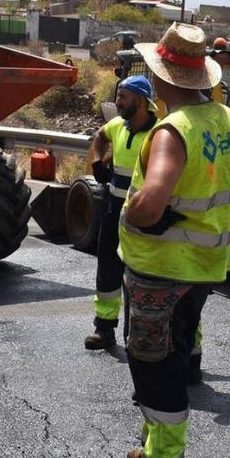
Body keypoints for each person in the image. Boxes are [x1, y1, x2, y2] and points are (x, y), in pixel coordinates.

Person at [106, 22, 230, 458]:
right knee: (174, 355)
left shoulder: (171, 131)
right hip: (201, 268)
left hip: (160, 272)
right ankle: (155, 449)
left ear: (160, 78)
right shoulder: (223, 118)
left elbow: (151, 202)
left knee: (154, 369)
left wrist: (139, 213)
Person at [83, 75, 157, 351]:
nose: (118, 101)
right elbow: (99, 137)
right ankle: (104, 329)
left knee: (140, 274)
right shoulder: (118, 125)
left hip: (142, 215)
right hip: (113, 210)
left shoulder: (158, 133)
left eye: (123, 97)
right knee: (107, 269)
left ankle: (136, 334)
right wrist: (96, 160)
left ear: (140, 100)